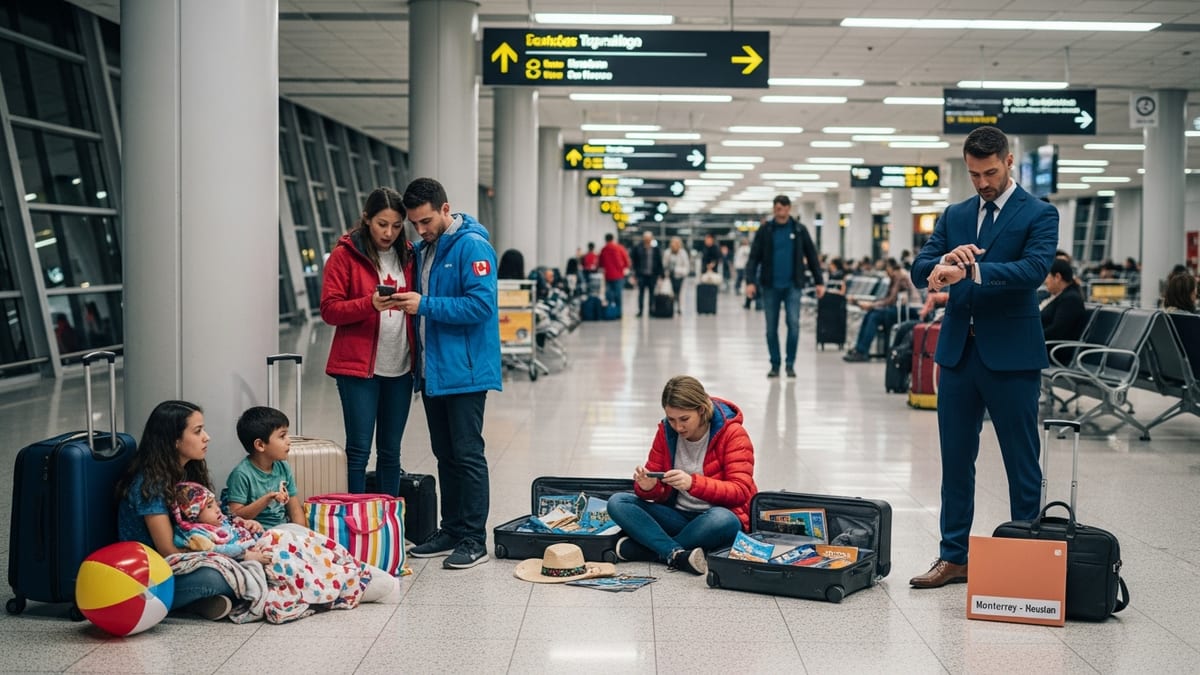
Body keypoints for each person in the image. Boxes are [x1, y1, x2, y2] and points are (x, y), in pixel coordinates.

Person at [908, 126, 1058, 589]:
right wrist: (939, 267)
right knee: (955, 461)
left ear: (1009, 162)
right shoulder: (955, 215)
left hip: (1012, 356)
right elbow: (920, 267)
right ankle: (953, 556)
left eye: (990, 173)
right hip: (958, 354)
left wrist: (970, 271)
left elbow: (1034, 269)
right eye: (974, 174)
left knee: (1021, 462)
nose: (983, 183)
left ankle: (1027, 560)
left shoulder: (1039, 212)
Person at [395, 177, 501, 570]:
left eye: (425, 221)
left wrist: (424, 304)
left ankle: (474, 538)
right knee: (445, 454)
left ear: (445, 209)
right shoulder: (426, 249)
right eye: (414, 224)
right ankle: (452, 529)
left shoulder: (472, 246)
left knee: (468, 454)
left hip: (466, 372)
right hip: (435, 371)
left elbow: (481, 306)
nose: (420, 230)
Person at [607, 376, 757, 576]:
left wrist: (692, 483)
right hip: (678, 516)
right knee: (618, 501)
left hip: (715, 518)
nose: (678, 427)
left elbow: (740, 491)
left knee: (723, 519)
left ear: (701, 410)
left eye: (684, 419)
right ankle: (677, 554)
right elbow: (657, 488)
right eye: (672, 419)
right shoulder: (666, 431)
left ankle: (650, 550)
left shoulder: (733, 434)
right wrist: (648, 487)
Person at [319, 187, 416, 496]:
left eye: (397, 225)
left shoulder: (409, 255)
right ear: (366, 219)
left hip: (400, 368)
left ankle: (387, 516)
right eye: (382, 224)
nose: (389, 233)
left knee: (391, 451)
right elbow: (329, 310)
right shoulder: (344, 255)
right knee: (359, 450)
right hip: (358, 370)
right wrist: (369, 304)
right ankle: (355, 516)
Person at [115, 400, 237, 620]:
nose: (207, 437)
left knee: (251, 555)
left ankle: (195, 603)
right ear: (175, 440)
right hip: (151, 574)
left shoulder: (187, 470)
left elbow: (203, 522)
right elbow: (168, 551)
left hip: (186, 558)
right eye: (198, 431)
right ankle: (188, 601)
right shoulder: (150, 483)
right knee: (215, 577)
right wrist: (226, 554)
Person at [744, 195, 825, 378]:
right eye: (775, 208)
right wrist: (750, 281)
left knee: (793, 324)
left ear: (789, 208)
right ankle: (775, 364)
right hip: (770, 286)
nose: (778, 211)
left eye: (781, 208)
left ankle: (790, 364)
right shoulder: (765, 230)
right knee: (770, 328)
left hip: (793, 286)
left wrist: (819, 281)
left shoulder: (799, 230)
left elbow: (812, 256)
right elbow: (754, 257)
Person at [225, 406, 306, 529]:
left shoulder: (283, 466)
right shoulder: (241, 474)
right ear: (260, 445)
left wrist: (302, 533)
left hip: (283, 531)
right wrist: (267, 499)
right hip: (255, 533)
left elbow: (295, 509)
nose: (289, 441)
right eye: (282, 436)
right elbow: (235, 515)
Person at [843, 258, 921, 362]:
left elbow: (891, 299)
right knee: (870, 314)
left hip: (909, 309)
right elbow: (889, 299)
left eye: (886, 270)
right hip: (900, 308)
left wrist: (872, 305)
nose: (886, 273)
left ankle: (862, 351)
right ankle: (859, 349)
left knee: (874, 316)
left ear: (890, 268)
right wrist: (874, 305)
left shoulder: (899, 276)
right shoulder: (897, 275)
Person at [172, 481, 266, 561]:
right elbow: (217, 551)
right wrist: (245, 555)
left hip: (256, 546)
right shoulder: (196, 535)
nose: (217, 509)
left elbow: (240, 527)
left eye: (215, 504)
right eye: (209, 506)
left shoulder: (223, 520)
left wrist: (253, 526)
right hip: (243, 557)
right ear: (193, 515)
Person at [1041, 259, 1087, 342]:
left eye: (1047, 276)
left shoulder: (1071, 300)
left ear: (1057, 277)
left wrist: (1031, 337)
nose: (1045, 281)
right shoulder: (1057, 296)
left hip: (1051, 346)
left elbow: (1057, 331)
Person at [629, 231, 664, 317]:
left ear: (651, 239)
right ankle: (640, 310)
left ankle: (651, 310)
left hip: (652, 275)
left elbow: (659, 262)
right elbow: (634, 262)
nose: (647, 240)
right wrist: (634, 274)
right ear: (644, 239)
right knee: (641, 293)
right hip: (641, 275)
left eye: (649, 238)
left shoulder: (656, 249)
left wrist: (661, 275)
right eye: (646, 238)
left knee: (652, 294)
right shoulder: (638, 248)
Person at [598, 233, 630, 311]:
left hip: (608, 275)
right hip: (619, 275)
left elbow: (600, 263)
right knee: (618, 294)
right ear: (613, 239)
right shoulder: (620, 248)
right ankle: (618, 311)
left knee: (609, 294)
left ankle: (610, 311)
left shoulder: (603, 249)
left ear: (605, 239)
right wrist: (624, 267)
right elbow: (626, 261)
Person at [662, 236, 691, 315]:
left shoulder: (683, 253)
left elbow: (686, 267)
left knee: (679, 293)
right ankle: (670, 307)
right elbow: (664, 264)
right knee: (670, 293)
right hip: (670, 277)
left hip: (680, 276)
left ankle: (679, 308)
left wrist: (677, 270)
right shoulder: (667, 252)